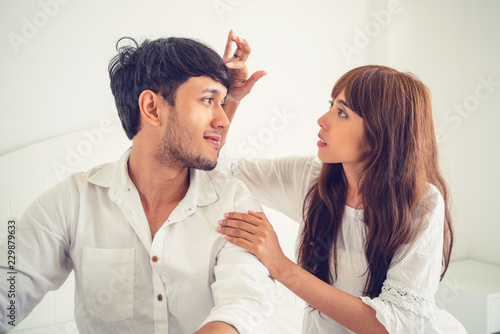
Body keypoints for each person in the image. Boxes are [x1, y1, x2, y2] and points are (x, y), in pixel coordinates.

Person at [0, 31, 275, 334]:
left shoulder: (233, 202)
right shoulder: (72, 201)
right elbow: (9, 286)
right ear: (152, 108)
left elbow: (246, 303)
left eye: (223, 102)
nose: (223, 119)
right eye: (209, 99)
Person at [217, 65, 467, 333]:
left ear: (379, 134)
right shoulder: (310, 178)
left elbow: (394, 325)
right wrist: (229, 99)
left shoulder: (422, 204)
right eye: (331, 105)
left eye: (342, 112)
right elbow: (220, 166)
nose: (322, 120)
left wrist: (280, 266)